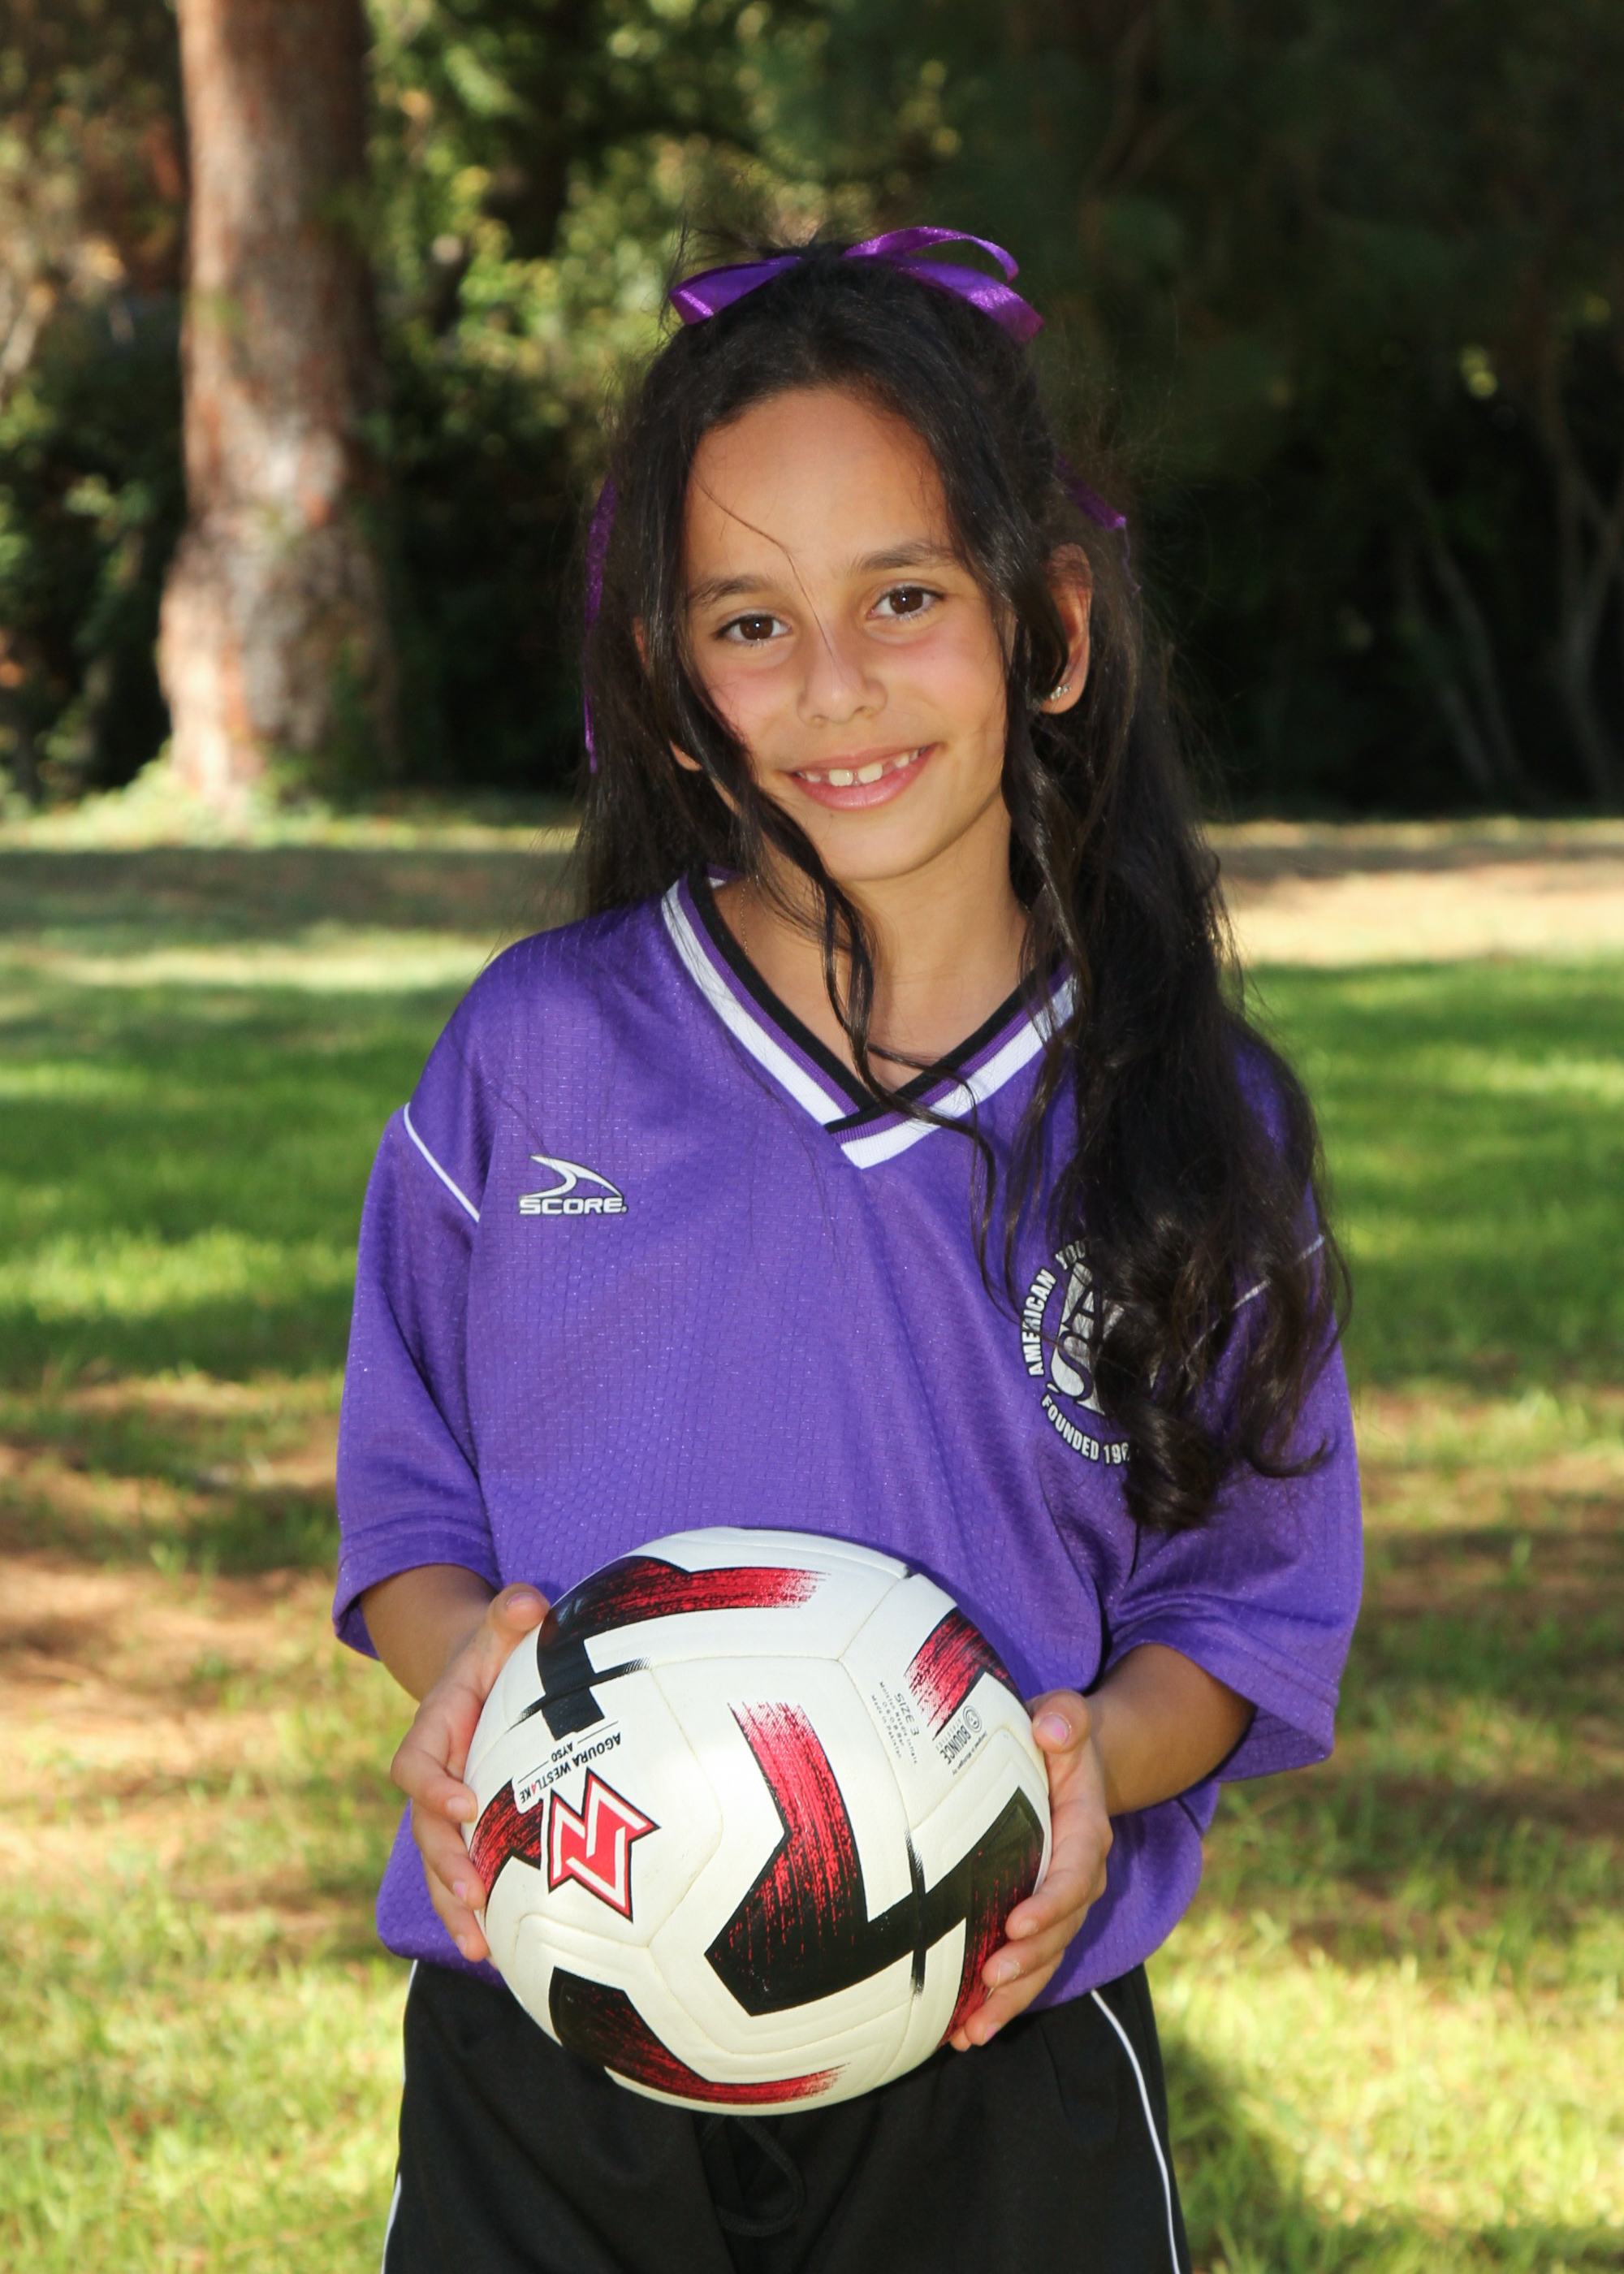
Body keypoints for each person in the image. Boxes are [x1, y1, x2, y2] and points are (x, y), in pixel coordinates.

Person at [335, 231, 1362, 2274]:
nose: (833, 684)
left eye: (902, 596)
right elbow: (413, 1508)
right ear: (669, 682)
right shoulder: (535, 1054)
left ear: (1045, 624)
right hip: (558, 1993)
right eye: (751, 621)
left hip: (995, 2019)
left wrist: (1088, 1766)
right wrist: (465, 1684)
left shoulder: (1190, 1119)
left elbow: (1239, 1613)